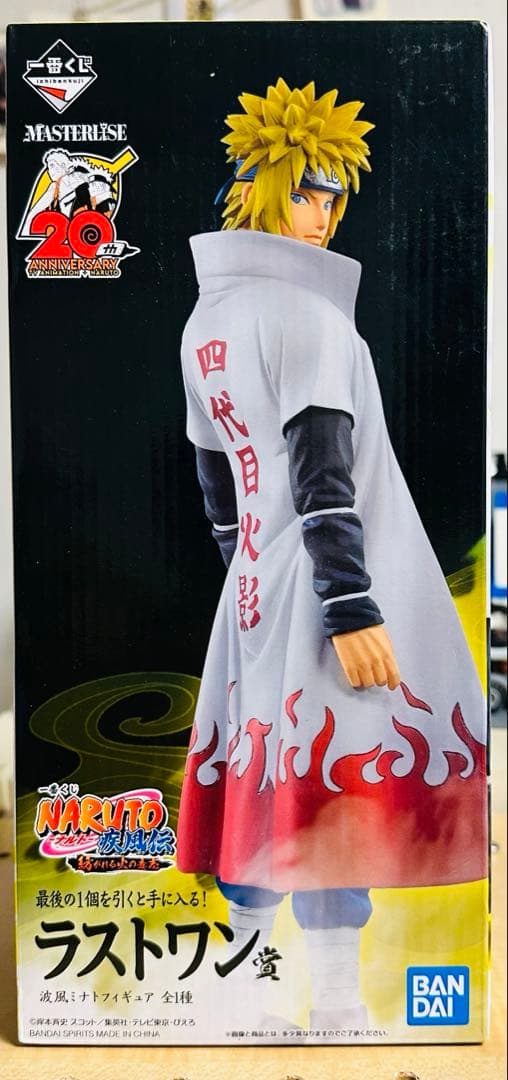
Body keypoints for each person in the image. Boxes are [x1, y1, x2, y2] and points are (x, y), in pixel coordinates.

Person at [176, 78, 486, 1032]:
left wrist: (247, 576)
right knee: (329, 781)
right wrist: (351, 606)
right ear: (262, 188)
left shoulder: (204, 324)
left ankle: (260, 993)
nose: (322, 213)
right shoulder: (308, 318)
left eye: (333, 197)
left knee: (269, 780)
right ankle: (326, 1000)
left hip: (259, 588)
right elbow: (324, 473)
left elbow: (218, 486)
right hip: (325, 589)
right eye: (307, 191)